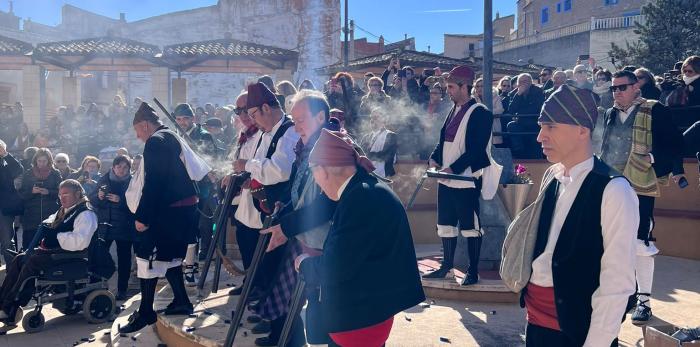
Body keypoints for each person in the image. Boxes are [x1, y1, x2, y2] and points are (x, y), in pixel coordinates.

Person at [522, 84, 639, 346]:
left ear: (582, 131)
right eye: (541, 126)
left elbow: (617, 282)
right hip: (537, 325)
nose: (540, 136)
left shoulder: (614, 190)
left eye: (550, 127)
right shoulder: (552, 175)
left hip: (580, 333)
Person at [296, 129, 425, 347]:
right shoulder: (364, 189)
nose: (316, 182)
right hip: (370, 312)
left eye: (313, 173)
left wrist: (304, 264)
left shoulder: (360, 198)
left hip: (359, 318)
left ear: (323, 171)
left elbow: (337, 267)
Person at [599, 70, 686, 325]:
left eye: (622, 87)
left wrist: (653, 158)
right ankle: (622, 294)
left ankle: (644, 301)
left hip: (640, 186)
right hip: (613, 183)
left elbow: (674, 143)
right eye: (614, 89)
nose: (617, 93)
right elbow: (604, 146)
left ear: (636, 86)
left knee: (640, 242)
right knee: (612, 240)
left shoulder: (654, 109)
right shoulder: (610, 113)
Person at [254, 90, 336, 346]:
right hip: (307, 236)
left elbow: (326, 204)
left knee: (323, 312)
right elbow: (303, 193)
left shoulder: (333, 149)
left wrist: (286, 226)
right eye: (294, 119)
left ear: (320, 117)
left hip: (324, 242)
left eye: (301, 120)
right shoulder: (309, 147)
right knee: (291, 298)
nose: (296, 126)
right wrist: (285, 210)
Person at [119, 102, 210, 333]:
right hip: (181, 212)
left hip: (168, 213)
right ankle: (181, 300)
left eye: (138, 131)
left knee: (146, 257)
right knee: (169, 258)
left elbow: (155, 182)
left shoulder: (156, 142)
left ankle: (146, 312)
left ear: (146, 125)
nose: (138, 137)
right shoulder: (170, 136)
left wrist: (143, 216)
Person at [231, 83, 299, 324]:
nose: (253, 122)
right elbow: (261, 167)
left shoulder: (289, 132)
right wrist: (252, 177)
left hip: (284, 210)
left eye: (253, 115)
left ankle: (281, 325)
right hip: (267, 209)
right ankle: (271, 318)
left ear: (266, 108)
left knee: (278, 269)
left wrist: (247, 166)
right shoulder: (264, 133)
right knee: (269, 267)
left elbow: (278, 171)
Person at [424, 65, 493, 286]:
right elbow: (442, 141)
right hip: (446, 178)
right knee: (446, 224)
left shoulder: (480, 113)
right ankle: (446, 266)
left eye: (452, 87)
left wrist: (453, 169)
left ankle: (473, 271)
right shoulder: (452, 110)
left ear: (465, 87)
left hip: (466, 180)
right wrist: (434, 159)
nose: (448, 91)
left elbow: (476, 150)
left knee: (470, 227)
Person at [0, 179, 97, 326]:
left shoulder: (86, 214)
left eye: (66, 194)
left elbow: (80, 242)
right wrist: (47, 229)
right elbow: (50, 221)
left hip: (72, 256)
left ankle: (11, 305)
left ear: (78, 194)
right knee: (20, 258)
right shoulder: (65, 209)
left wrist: (56, 236)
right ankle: (3, 301)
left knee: (31, 262)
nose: (61, 198)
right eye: (60, 195)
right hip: (58, 252)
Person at [89, 155, 136, 301]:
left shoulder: (133, 182)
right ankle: (97, 287)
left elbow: (138, 203)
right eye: (119, 167)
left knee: (124, 259)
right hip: (106, 226)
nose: (121, 170)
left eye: (125, 167)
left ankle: (122, 289)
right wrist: (99, 196)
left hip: (125, 226)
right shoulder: (104, 179)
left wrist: (121, 201)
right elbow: (92, 199)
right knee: (99, 255)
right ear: (113, 167)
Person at [20, 148, 61, 250]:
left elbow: (61, 192)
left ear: (49, 161)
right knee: (29, 246)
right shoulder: (28, 173)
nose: (41, 163)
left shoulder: (55, 173)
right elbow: (21, 194)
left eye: (44, 161)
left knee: (48, 247)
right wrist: (32, 191)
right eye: (39, 161)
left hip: (50, 214)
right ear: (35, 161)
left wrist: (49, 192)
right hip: (31, 216)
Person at [507, 73, 546, 158]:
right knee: (511, 125)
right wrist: (518, 95)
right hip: (521, 122)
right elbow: (511, 110)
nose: (523, 84)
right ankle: (518, 150)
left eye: (525, 81)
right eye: (520, 82)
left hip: (534, 122)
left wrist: (521, 113)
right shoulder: (514, 94)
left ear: (530, 82)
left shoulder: (538, 91)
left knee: (534, 143)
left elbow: (538, 108)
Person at [0, 140, 23, 265]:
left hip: (4, 209)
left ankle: (12, 273)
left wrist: (5, 154)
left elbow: (18, 170)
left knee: (7, 242)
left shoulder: (6, 162)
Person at [362, 108, 398, 179]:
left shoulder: (391, 135)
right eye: (371, 118)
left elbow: (386, 156)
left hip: (384, 177)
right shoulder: (366, 137)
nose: (372, 120)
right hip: (367, 176)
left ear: (383, 120)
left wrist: (367, 155)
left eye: (375, 117)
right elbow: (360, 155)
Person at [473, 77, 505, 145]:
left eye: (482, 86)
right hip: (478, 127)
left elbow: (500, 110)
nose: (479, 88)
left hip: (493, 125)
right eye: (477, 86)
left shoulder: (495, 96)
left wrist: (485, 112)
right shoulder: (473, 98)